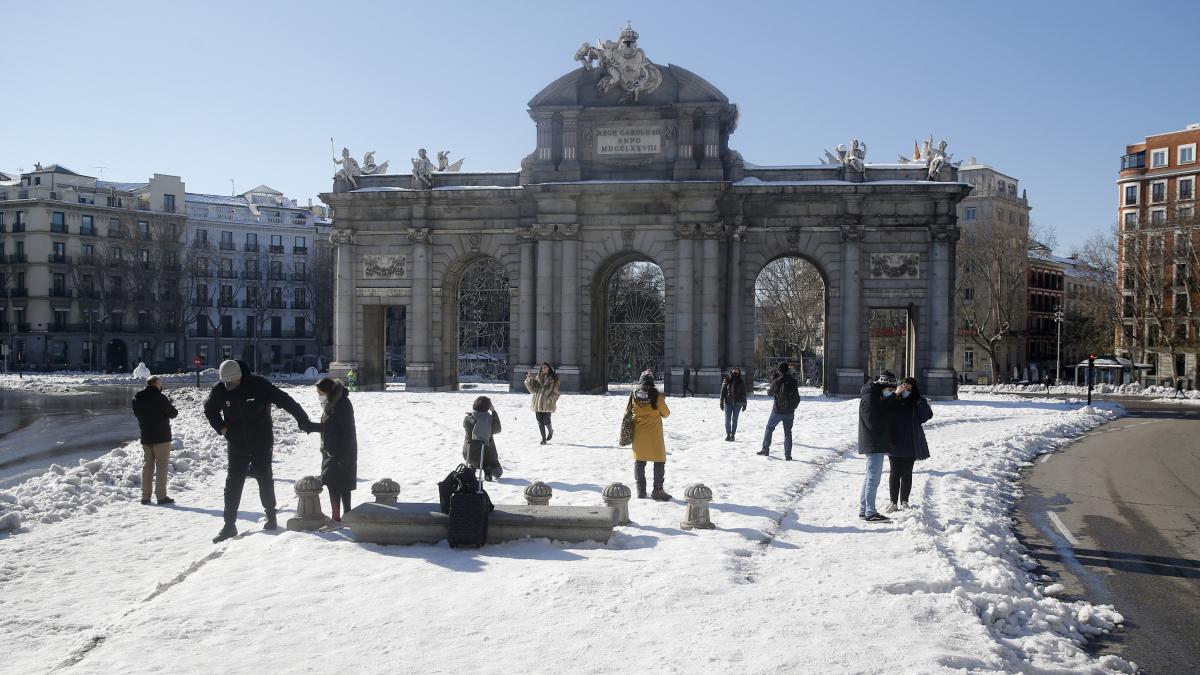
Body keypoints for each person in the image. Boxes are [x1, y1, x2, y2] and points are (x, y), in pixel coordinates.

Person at [205, 359, 312, 543]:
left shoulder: (258, 385)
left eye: (231, 382)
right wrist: (223, 429)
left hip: (261, 441)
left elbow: (286, 400)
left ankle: (271, 515)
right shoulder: (220, 389)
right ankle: (229, 525)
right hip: (236, 443)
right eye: (225, 383)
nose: (228, 386)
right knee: (233, 484)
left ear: (240, 377)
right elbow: (209, 410)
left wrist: (302, 419)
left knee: (264, 478)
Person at [303, 377, 358, 527]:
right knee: (336, 483)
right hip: (331, 451)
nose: (319, 395)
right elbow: (329, 427)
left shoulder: (342, 404)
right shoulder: (332, 404)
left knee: (337, 484)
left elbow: (349, 432)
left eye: (320, 392)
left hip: (340, 452)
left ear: (328, 391)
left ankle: (339, 518)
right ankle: (344, 517)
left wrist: (344, 456)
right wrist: (310, 427)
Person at [858, 371, 906, 522]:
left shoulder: (874, 395)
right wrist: (892, 399)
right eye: (890, 390)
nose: (891, 393)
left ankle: (864, 509)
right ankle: (870, 512)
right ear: (884, 386)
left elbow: (881, 409)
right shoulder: (870, 397)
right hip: (874, 442)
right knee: (873, 478)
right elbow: (874, 421)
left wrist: (893, 398)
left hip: (876, 441)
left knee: (869, 478)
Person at [885, 377, 932, 513]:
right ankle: (893, 502)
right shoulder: (894, 399)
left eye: (909, 386)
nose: (906, 388)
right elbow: (884, 410)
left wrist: (919, 400)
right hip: (894, 441)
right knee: (894, 473)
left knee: (907, 473)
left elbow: (926, 416)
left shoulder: (917, 400)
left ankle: (904, 501)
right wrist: (895, 395)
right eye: (904, 385)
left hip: (911, 441)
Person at [131, 376, 178, 505]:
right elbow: (173, 413)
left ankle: (145, 497)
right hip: (161, 437)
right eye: (160, 383)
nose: (161, 385)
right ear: (156, 383)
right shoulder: (160, 397)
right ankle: (161, 496)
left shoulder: (137, 398)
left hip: (146, 436)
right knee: (161, 466)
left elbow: (138, 414)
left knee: (147, 466)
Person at [629, 373, 672, 501]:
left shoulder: (633, 395)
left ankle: (641, 490)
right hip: (654, 435)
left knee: (640, 461)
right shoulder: (657, 397)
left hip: (638, 434)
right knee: (659, 461)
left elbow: (628, 411)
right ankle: (658, 490)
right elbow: (666, 414)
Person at [758, 363, 801, 460]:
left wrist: (774, 381)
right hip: (790, 412)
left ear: (779, 371)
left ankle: (765, 449)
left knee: (769, 428)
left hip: (777, 410)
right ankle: (788, 455)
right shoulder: (794, 381)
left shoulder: (777, 381)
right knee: (788, 433)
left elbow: (769, 393)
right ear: (788, 370)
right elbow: (797, 397)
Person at [462, 395, 503, 481]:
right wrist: (493, 411)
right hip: (487, 457)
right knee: (498, 473)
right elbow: (498, 429)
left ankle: (472, 467)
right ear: (488, 407)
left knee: (474, 448)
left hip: (469, 454)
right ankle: (487, 469)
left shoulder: (467, 418)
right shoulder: (489, 420)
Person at [523, 363, 560, 445]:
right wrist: (529, 380)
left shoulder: (554, 379)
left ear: (549, 368)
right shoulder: (538, 377)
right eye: (542, 368)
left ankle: (550, 431)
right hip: (537, 402)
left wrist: (550, 400)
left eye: (545, 367)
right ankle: (543, 439)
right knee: (540, 421)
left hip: (547, 404)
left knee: (546, 420)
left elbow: (556, 393)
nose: (543, 369)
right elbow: (532, 390)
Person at [719, 367, 748, 442]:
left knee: (735, 419)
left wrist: (744, 404)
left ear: (739, 373)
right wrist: (721, 403)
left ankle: (733, 435)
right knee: (727, 420)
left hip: (738, 403)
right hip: (728, 403)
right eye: (734, 372)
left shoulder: (741, 382)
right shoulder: (727, 380)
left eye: (737, 373)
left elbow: (743, 393)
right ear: (731, 372)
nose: (735, 374)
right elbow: (722, 392)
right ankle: (728, 434)